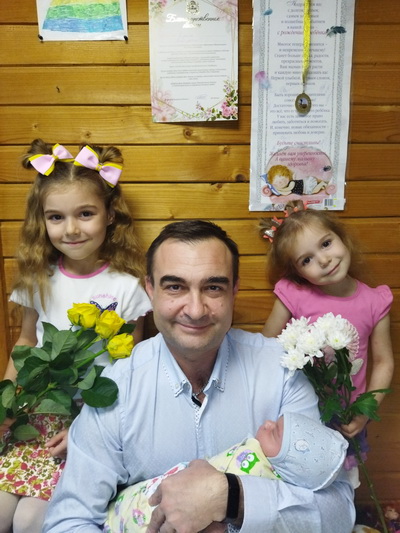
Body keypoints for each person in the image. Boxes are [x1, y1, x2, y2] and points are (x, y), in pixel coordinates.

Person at [43, 219, 355, 533]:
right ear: (150, 289)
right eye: (175, 287)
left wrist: (231, 498)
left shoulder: (281, 372)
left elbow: (338, 514)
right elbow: (67, 522)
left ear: (234, 290)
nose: (195, 310)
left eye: (213, 287)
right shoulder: (116, 388)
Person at [0, 140, 152, 533]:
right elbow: (25, 343)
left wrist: (87, 427)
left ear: (110, 214)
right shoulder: (38, 279)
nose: (70, 229)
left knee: (30, 520)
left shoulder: (127, 287)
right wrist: (4, 405)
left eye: (85, 214)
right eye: (56, 217)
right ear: (42, 221)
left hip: (92, 419)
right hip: (36, 414)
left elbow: (130, 365)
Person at [260, 200, 394, 486]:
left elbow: (384, 362)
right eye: (306, 260)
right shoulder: (294, 295)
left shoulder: (375, 301)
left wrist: (365, 412)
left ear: (342, 238)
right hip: (298, 416)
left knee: (342, 484)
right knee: (297, 484)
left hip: (348, 417)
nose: (323, 260)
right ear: (297, 272)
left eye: (326, 244)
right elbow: (265, 348)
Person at [103, 411, 348, 532]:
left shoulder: (260, 470)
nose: (267, 423)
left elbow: (339, 513)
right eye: (275, 421)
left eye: (274, 432)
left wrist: (230, 498)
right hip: (131, 501)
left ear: (287, 465)